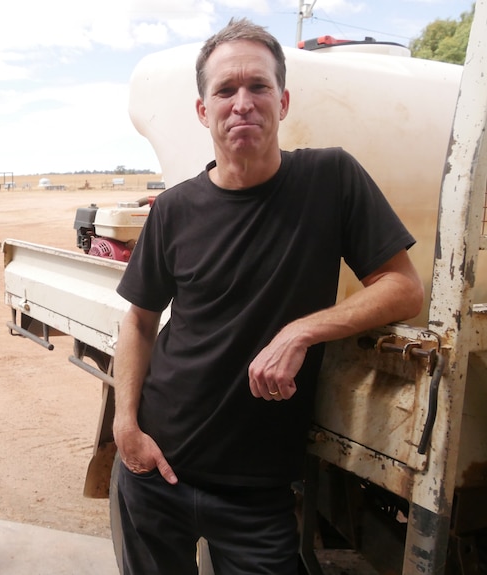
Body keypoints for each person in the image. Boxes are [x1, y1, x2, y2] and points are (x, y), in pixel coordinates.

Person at [111, 17, 424, 575]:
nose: (243, 103)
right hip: (155, 469)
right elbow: (138, 322)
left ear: (282, 101)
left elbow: (403, 288)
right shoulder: (175, 210)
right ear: (203, 111)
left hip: (258, 493)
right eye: (225, 90)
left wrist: (300, 330)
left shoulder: (330, 179)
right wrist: (125, 427)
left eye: (257, 87)